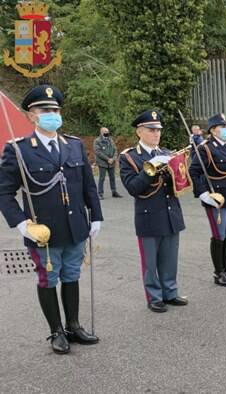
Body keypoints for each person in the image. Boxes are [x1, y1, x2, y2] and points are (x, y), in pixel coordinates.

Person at [0, 84, 103, 354]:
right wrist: (24, 225)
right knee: (49, 278)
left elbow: (87, 186)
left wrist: (96, 218)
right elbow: (4, 192)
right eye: (45, 110)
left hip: (76, 226)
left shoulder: (74, 145)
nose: (52, 114)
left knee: (72, 275)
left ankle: (73, 325)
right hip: (43, 230)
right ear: (31, 115)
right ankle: (56, 331)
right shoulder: (19, 150)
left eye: (56, 110)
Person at [119, 110, 188, 313]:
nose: (156, 134)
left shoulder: (167, 153)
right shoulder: (130, 157)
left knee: (170, 258)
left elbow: (180, 184)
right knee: (150, 262)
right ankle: (154, 296)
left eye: (158, 130)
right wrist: (150, 170)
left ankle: (170, 292)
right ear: (140, 131)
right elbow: (133, 188)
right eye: (151, 130)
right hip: (148, 216)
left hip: (170, 213)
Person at [189, 113, 226, 286]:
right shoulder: (205, 148)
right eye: (223, 127)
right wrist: (204, 195)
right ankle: (218, 272)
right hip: (217, 199)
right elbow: (195, 172)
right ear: (213, 130)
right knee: (219, 235)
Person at [93, 127, 122, 199]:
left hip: (111, 162)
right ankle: (100, 193)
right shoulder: (97, 141)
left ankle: (114, 191)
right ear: (101, 132)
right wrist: (108, 159)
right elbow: (98, 152)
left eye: (108, 132)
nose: (107, 133)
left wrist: (113, 159)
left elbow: (115, 150)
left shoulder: (110, 140)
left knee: (112, 177)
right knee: (102, 178)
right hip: (102, 163)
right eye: (106, 132)